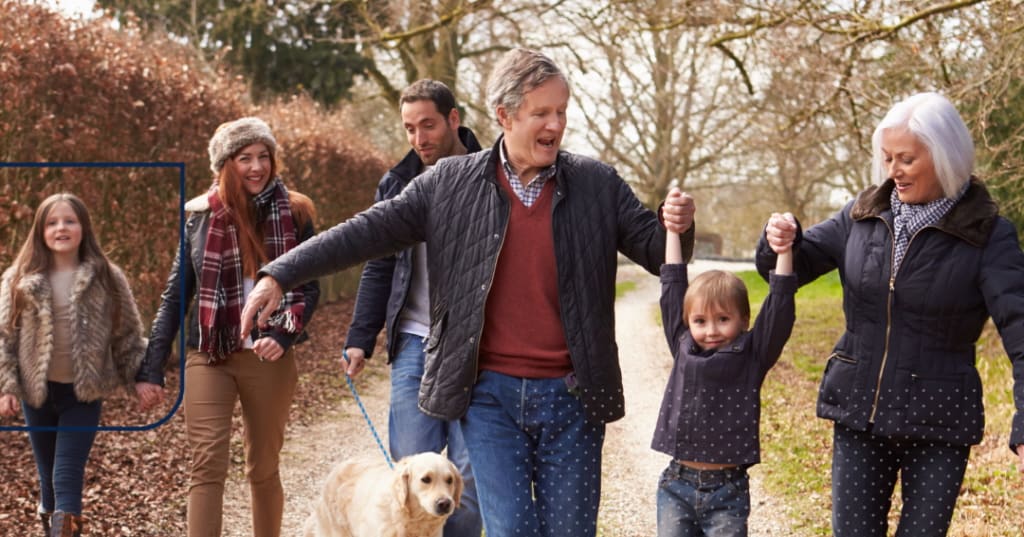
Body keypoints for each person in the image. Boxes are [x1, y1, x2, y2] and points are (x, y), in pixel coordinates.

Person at [239, 47, 696, 537]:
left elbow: (657, 249)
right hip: (489, 396)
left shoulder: (596, 183)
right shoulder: (449, 183)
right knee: (511, 530)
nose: (555, 124)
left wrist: (679, 226)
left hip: (574, 396)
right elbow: (364, 232)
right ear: (505, 116)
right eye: (541, 112)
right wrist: (279, 274)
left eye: (561, 111)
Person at [757, 91, 1024, 536]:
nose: (892, 171)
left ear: (944, 157)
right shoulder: (861, 215)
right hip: (859, 411)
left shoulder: (988, 234)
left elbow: (1020, 328)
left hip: (938, 421)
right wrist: (779, 239)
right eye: (887, 158)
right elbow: (787, 267)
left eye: (906, 159)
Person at [133, 117, 320, 537]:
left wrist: (283, 334)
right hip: (209, 353)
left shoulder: (295, 212)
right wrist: (152, 367)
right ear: (225, 164)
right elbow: (175, 296)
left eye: (263, 157)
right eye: (244, 158)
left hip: (267, 354)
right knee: (207, 463)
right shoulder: (199, 218)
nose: (256, 167)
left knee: (264, 467)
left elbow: (309, 287)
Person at [340, 79, 482, 536]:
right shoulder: (397, 183)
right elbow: (379, 265)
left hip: (477, 348)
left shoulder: (493, 175)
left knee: (471, 478)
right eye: (409, 128)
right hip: (414, 345)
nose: (419, 138)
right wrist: (361, 339)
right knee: (410, 479)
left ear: (453, 119)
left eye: (428, 125)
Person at [0, 192, 148, 537]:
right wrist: (6, 386)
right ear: (40, 231)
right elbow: (4, 338)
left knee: (66, 474)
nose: (61, 228)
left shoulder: (107, 278)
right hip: (36, 396)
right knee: (48, 477)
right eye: (52, 222)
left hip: (83, 395)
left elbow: (127, 335)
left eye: (69, 221)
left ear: (83, 228)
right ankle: (50, 523)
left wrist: (139, 378)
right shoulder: (18, 278)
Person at [653, 191, 796, 537]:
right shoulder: (683, 345)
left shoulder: (752, 355)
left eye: (723, 319)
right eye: (700, 320)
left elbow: (779, 309)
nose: (711, 330)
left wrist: (784, 251)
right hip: (677, 485)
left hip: (728, 490)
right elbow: (673, 282)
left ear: (744, 319)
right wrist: (673, 230)